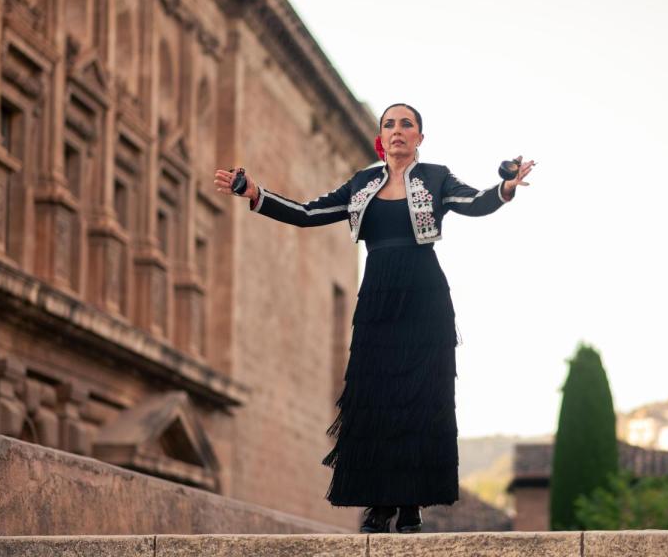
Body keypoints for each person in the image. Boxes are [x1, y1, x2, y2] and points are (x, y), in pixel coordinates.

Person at [213, 103, 535, 533]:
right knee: (374, 396)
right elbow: (309, 214)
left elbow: (474, 202)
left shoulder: (437, 177)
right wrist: (255, 193)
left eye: (407, 124)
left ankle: (411, 505)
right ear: (381, 137)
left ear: (420, 137)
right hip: (378, 296)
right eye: (390, 124)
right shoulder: (362, 182)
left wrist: (506, 187)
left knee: (421, 398)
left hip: (424, 296)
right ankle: (379, 505)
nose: (398, 130)